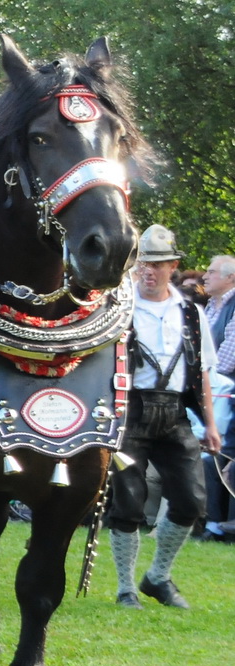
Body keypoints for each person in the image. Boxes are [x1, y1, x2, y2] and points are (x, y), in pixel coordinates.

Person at [109, 224, 221, 609]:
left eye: (157, 263)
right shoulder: (119, 308)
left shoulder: (190, 312)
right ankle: (125, 587)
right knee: (128, 502)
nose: (148, 270)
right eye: (143, 262)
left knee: (192, 501)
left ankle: (157, 577)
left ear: (173, 265)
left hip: (174, 414)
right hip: (130, 411)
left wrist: (210, 423)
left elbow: (203, 369)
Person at [200, 255, 235, 537]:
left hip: (226, 393)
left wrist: (202, 373)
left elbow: (227, 357)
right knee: (208, 453)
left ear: (230, 277)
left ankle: (224, 524)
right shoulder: (210, 306)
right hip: (209, 388)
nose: (205, 277)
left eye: (211, 272)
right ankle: (210, 521)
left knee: (224, 454)